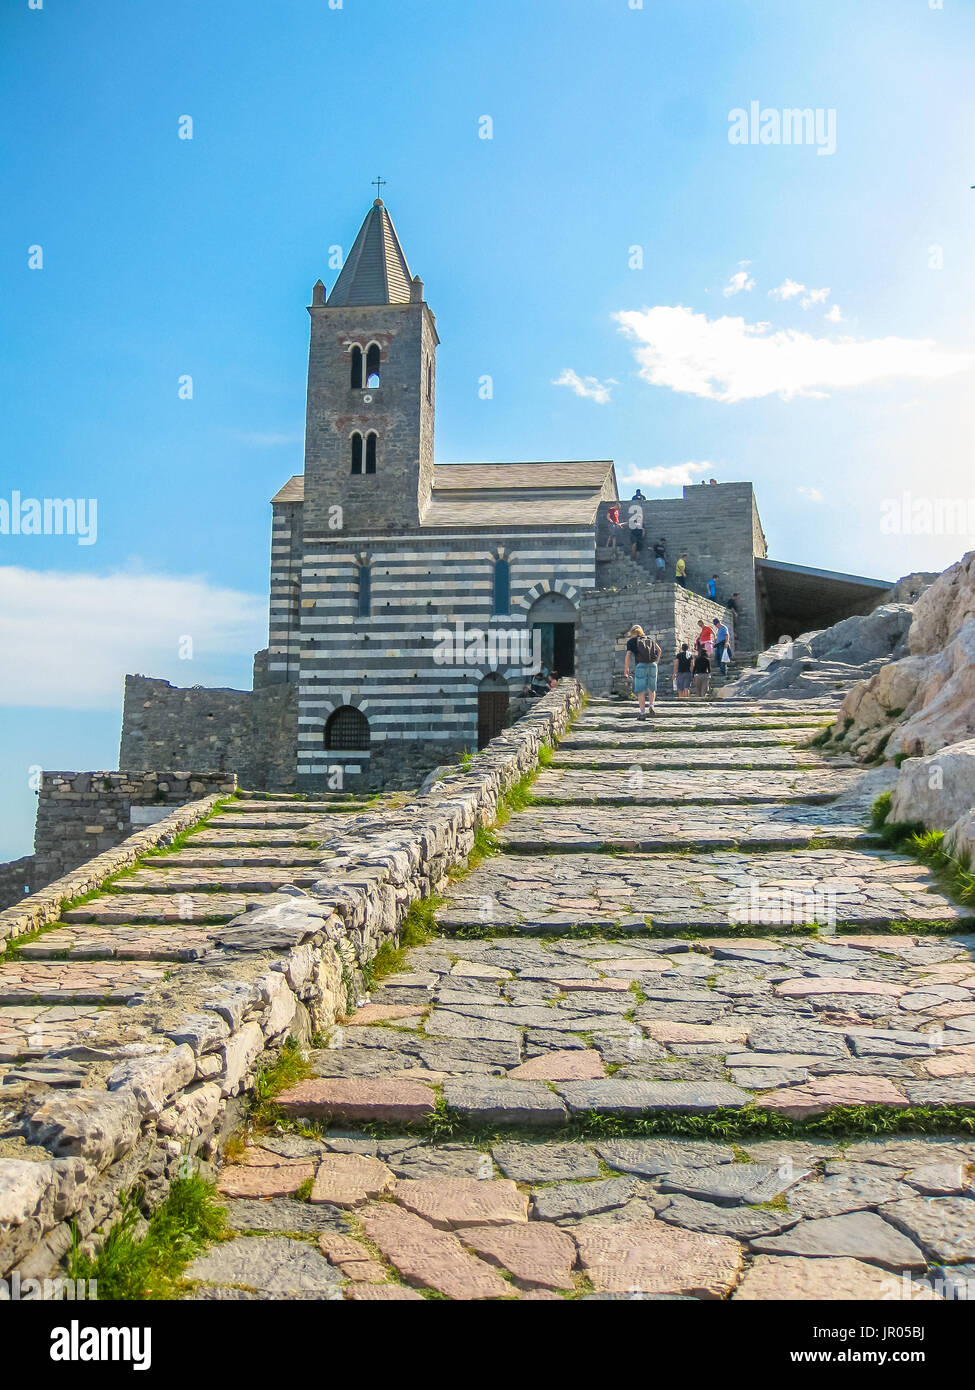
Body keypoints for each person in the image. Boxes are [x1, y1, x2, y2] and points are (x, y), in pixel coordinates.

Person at [624, 624, 662, 721]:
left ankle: (642, 713)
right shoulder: (649, 639)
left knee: (640, 691)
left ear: (632, 633)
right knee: (651, 688)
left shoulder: (631, 641)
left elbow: (628, 655)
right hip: (653, 665)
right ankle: (651, 705)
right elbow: (659, 650)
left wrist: (626, 668)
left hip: (640, 665)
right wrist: (656, 661)